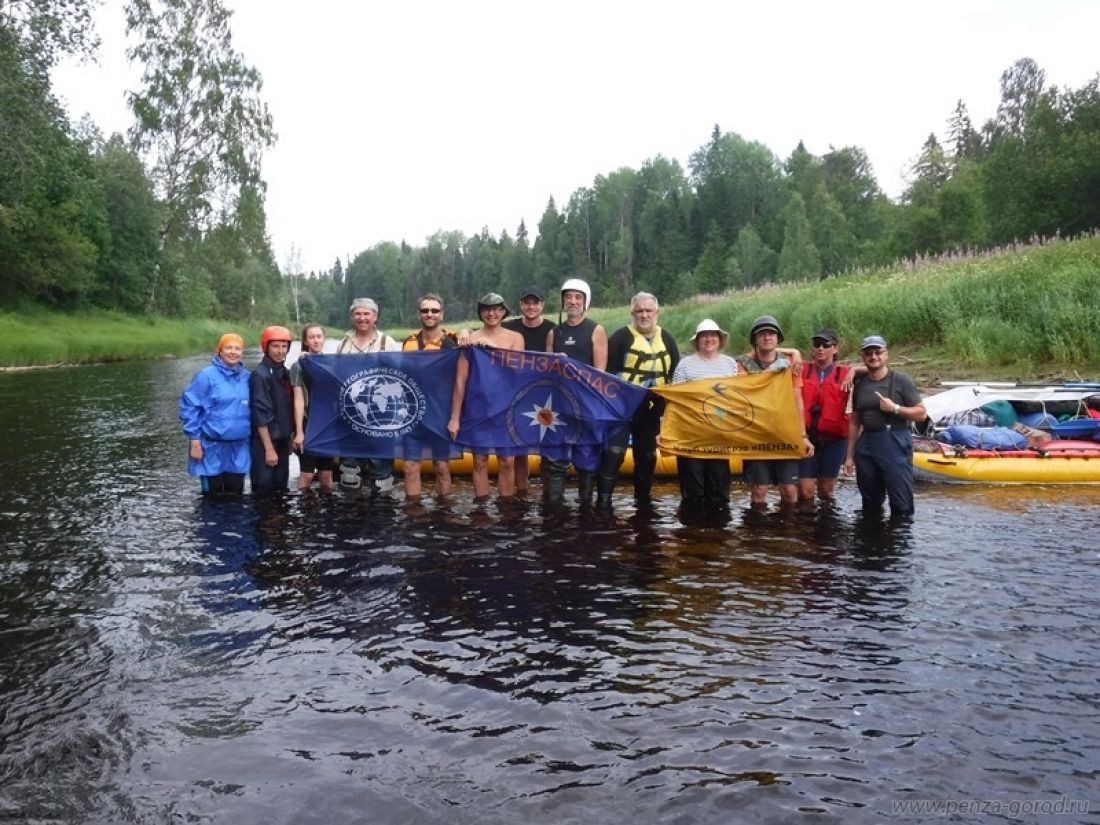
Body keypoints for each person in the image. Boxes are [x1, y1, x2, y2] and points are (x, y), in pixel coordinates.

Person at [600, 291, 680, 510]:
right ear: (632, 313)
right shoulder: (619, 338)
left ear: (657, 313)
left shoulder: (667, 339)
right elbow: (606, 373)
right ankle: (603, 502)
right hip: (621, 410)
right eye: (639, 311)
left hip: (651, 411)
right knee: (614, 454)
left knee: (646, 457)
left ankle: (642, 504)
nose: (644, 315)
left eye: (648, 310)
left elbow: (676, 374)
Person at [448, 293, 525, 500]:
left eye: (496, 309)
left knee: (507, 460)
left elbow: (518, 370)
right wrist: (455, 418)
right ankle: (481, 508)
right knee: (480, 460)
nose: (491, 313)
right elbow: (460, 380)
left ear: (503, 312)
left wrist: (494, 350)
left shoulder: (515, 338)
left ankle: (506, 506)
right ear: (480, 313)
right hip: (477, 407)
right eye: (486, 309)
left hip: (506, 407)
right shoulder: (469, 339)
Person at [734, 315, 813, 507]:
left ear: (778, 339)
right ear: (755, 339)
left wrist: (802, 435)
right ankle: (759, 533)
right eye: (762, 334)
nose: (767, 337)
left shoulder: (791, 364)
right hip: (756, 435)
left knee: (789, 489)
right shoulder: (742, 365)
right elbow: (742, 394)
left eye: (771, 333)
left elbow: (797, 400)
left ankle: (789, 532)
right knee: (759, 490)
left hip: (784, 433)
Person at [843, 335, 926, 518]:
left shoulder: (901, 380)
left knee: (901, 503)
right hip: (866, 444)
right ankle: (872, 543)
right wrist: (849, 456)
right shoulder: (860, 384)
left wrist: (895, 408)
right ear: (863, 357)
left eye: (878, 352)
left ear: (886, 354)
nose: (873, 356)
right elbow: (855, 421)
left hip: (894, 440)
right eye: (868, 353)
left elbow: (922, 414)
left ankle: (898, 541)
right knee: (870, 503)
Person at [543, 278, 608, 507]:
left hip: (587, 405)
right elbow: (548, 374)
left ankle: (585, 511)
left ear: (585, 301)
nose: (572, 301)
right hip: (560, 405)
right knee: (555, 461)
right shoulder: (554, 333)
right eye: (568, 297)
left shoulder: (596, 330)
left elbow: (600, 374)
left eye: (577, 297)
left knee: (587, 460)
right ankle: (555, 511)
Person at [670, 319, 740, 514]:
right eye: (704, 336)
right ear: (697, 340)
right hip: (690, 435)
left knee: (719, 489)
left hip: (719, 434)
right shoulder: (685, 365)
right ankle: (693, 535)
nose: (709, 339)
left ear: (719, 339)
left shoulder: (730, 364)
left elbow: (737, 398)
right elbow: (675, 399)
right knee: (692, 490)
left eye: (713, 335)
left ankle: (717, 536)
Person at [334, 297, 401, 493]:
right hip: (350, 418)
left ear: (375, 316)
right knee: (349, 476)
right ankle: (352, 519)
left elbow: (397, 378)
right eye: (358, 314)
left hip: (380, 418)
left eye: (366, 314)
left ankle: (381, 516)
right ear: (351, 316)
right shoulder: (343, 343)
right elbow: (335, 375)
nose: (362, 318)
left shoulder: (386, 342)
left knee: (381, 478)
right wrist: (308, 359)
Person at [179, 333, 251, 494]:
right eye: (228, 347)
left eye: (237, 348)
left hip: (239, 447)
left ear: (242, 352)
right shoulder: (206, 376)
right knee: (212, 499)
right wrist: (195, 441)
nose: (233, 352)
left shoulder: (247, 378)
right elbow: (190, 406)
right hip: (210, 447)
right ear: (220, 350)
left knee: (236, 496)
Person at [401, 293, 457, 500]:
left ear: (441, 315)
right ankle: (413, 512)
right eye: (425, 311)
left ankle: (444, 509)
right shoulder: (409, 342)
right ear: (419, 314)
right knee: (409, 465)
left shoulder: (451, 344)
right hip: (411, 413)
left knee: (441, 466)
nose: (429, 314)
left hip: (439, 414)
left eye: (434, 311)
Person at [502, 285, 554, 496]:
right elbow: (484, 332)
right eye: (527, 302)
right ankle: (522, 493)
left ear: (542, 305)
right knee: (519, 449)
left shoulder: (553, 329)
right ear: (520, 305)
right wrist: (467, 331)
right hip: (516, 395)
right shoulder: (509, 327)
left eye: (535, 302)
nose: (531, 306)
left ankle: (549, 494)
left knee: (548, 448)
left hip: (545, 396)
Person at [797, 328, 851, 503]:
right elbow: (769, 355)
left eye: (826, 345)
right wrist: (794, 352)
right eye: (816, 344)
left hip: (834, 441)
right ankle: (805, 528)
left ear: (835, 349)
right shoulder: (801, 369)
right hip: (806, 438)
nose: (820, 348)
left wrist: (856, 370)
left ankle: (826, 528)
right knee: (805, 492)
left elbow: (876, 368)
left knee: (826, 491)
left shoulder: (845, 373)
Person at [249, 325, 294, 494]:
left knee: (281, 489)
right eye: (275, 346)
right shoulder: (260, 375)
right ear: (265, 347)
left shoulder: (285, 372)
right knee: (264, 492)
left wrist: (289, 439)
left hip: (282, 441)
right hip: (265, 443)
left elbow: (287, 411)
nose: (280, 351)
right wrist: (269, 449)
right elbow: (260, 414)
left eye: (284, 346)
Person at [291, 323, 335, 493]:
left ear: (324, 339)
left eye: (319, 336)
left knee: (326, 475)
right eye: (311, 337)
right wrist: (299, 432)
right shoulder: (299, 366)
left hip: (327, 426)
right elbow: (298, 399)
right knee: (307, 475)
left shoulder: (331, 363)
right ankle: (304, 513)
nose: (316, 340)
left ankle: (326, 514)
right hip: (308, 423)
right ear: (305, 340)